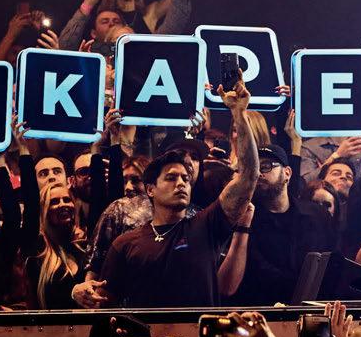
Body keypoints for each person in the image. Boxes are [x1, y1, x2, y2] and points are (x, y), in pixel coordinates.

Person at [99, 79, 258, 307]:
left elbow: (248, 176)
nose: (181, 183)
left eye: (185, 178)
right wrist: (82, 292)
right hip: (144, 332)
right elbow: (104, 305)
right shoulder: (125, 244)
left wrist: (239, 113)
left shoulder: (206, 226)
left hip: (198, 331)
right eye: (171, 178)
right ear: (150, 189)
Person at [230, 144, 334, 305]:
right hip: (260, 310)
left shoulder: (317, 216)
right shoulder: (245, 219)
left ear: (287, 173)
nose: (258, 173)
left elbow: (332, 264)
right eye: (253, 168)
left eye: (266, 166)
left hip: (311, 309)